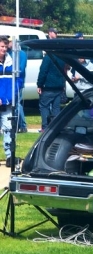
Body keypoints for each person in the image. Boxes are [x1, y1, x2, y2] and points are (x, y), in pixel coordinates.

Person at [0, 36, 23, 167]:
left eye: (4, 46)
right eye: (1, 46)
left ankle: (9, 156)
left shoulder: (12, 62)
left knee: (8, 129)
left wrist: (9, 97)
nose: (3, 49)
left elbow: (18, 80)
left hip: (7, 103)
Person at [37, 53, 66, 132]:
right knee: (56, 108)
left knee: (44, 107)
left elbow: (43, 71)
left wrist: (39, 84)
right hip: (59, 86)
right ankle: (56, 127)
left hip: (48, 86)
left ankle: (45, 127)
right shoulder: (61, 57)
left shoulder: (47, 58)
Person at [7, 36, 28, 133]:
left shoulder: (22, 54)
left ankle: (22, 125)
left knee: (17, 103)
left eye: (9, 42)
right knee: (13, 104)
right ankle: (16, 124)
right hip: (10, 82)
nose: (8, 44)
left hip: (18, 82)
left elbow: (21, 68)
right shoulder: (9, 53)